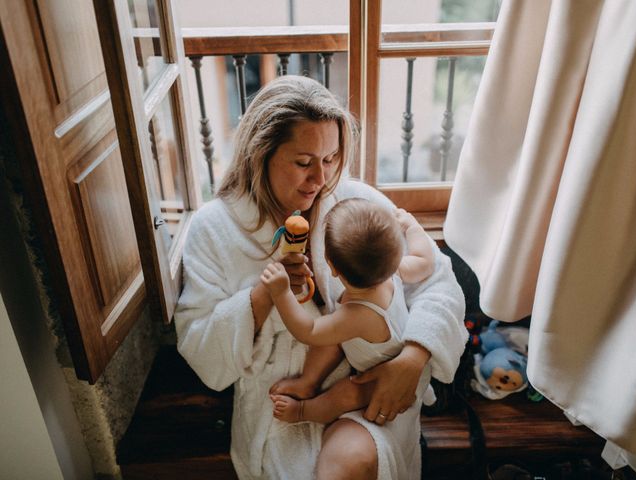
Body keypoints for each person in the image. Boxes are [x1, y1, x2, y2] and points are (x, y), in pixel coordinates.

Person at [174, 75, 467, 480]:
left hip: (370, 392)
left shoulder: (357, 204)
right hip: (280, 409)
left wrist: (413, 357)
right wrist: (264, 295)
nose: (320, 178)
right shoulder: (215, 228)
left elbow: (439, 282)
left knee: (355, 463)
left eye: (330, 159)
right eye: (303, 162)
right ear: (260, 154)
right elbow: (202, 349)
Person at [262, 198, 435, 425]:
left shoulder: (356, 316)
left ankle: (304, 411)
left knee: (346, 392)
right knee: (332, 337)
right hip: (383, 346)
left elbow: (309, 331)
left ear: (331, 267)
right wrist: (412, 227)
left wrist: (281, 293)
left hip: (380, 376)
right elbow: (426, 260)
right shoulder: (395, 271)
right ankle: (308, 381)